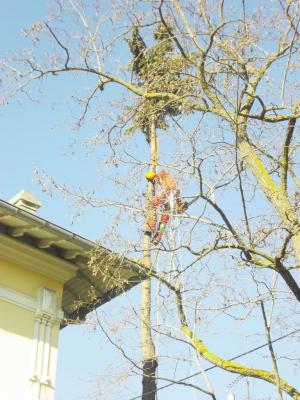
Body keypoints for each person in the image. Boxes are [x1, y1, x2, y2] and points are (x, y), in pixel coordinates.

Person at [144, 171, 187, 244]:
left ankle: (151, 226)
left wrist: (179, 204)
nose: (154, 183)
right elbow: (176, 193)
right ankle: (158, 236)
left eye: (153, 180)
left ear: (154, 177)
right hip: (171, 200)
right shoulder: (164, 178)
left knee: (152, 206)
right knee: (164, 220)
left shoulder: (162, 176)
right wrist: (179, 205)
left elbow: (170, 188)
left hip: (168, 195)